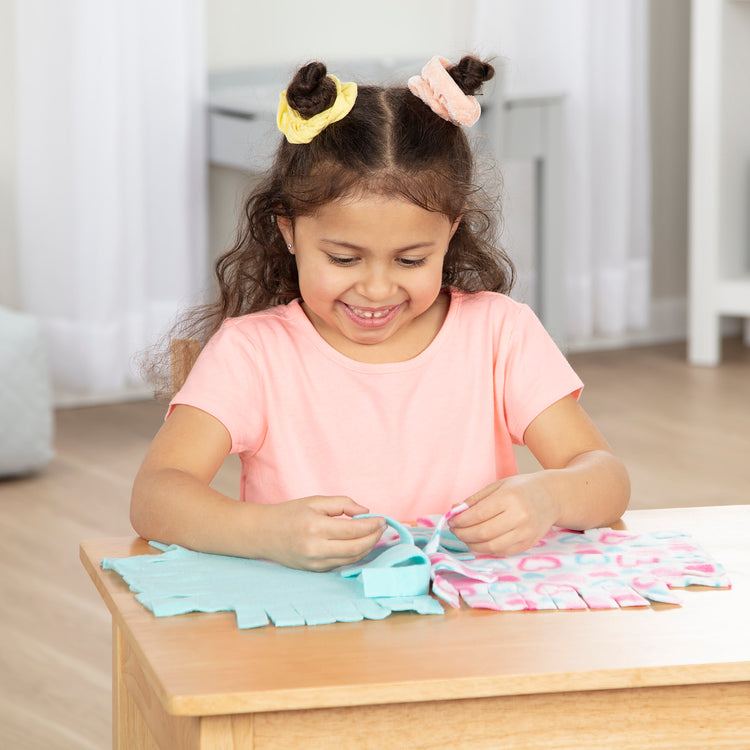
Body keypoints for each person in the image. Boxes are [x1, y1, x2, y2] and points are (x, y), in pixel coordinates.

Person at [131, 55, 630, 572]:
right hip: (302, 640)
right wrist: (264, 531)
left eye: (411, 260)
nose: (376, 288)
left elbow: (606, 478)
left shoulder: (500, 334)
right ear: (288, 231)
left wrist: (550, 496)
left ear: (451, 232)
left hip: (466, 635)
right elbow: (155, 495)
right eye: (343, 259)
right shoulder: (251, 353)